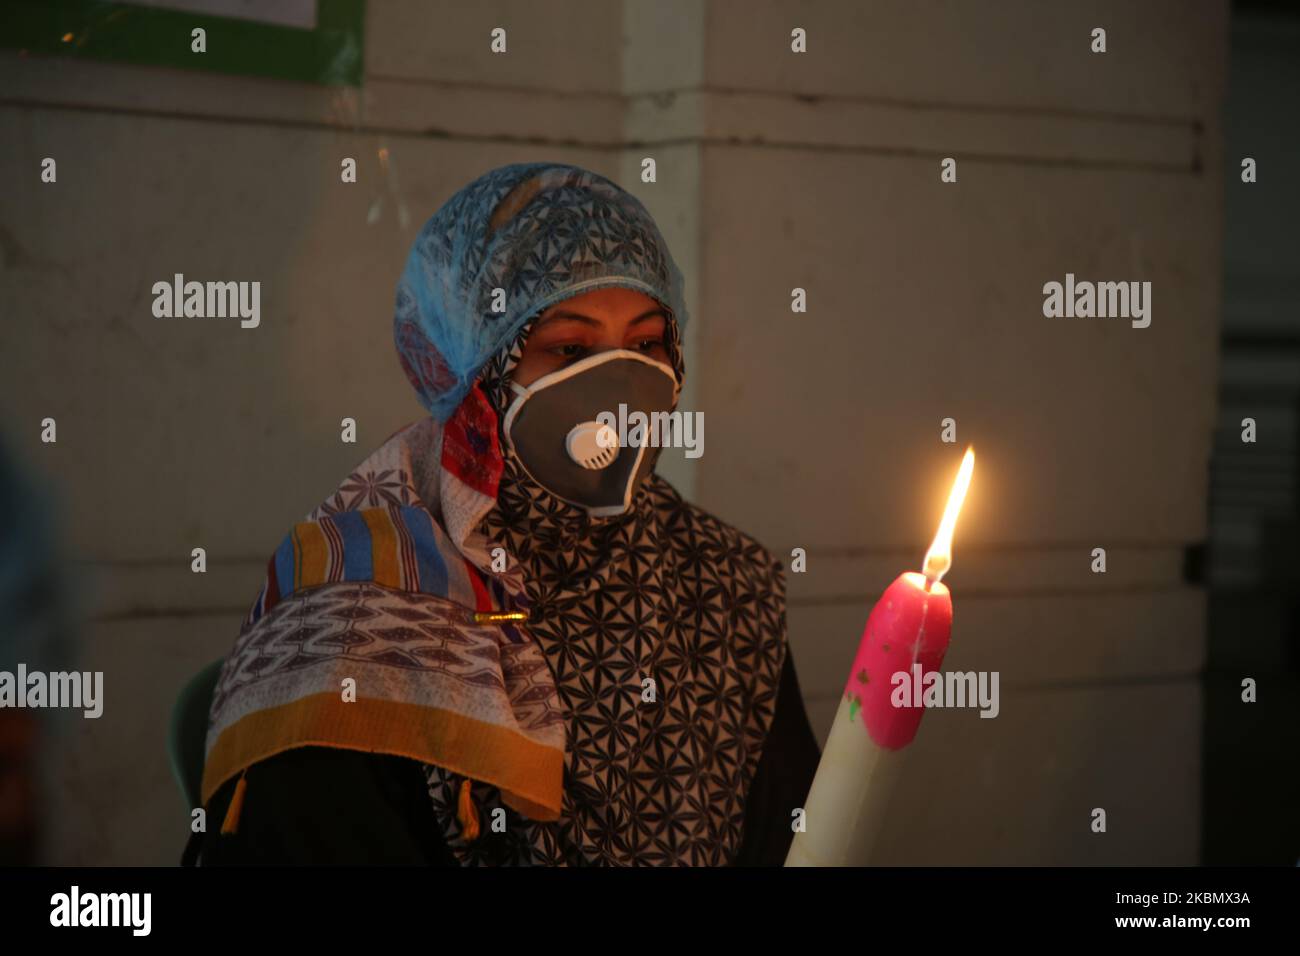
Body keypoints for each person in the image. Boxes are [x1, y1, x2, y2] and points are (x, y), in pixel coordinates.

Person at [185, 161, 820, 866]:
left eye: (646, 344)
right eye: (569, 349)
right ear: (478, 373)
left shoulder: (722, 586)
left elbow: (795, 841)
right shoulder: (357, 613)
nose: (622, 386)